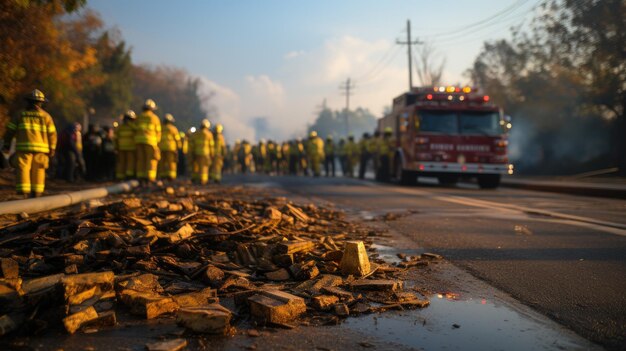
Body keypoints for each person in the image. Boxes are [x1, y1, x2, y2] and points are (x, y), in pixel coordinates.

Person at [1, 89, 57, 198]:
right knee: (39, 169)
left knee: (23, 168)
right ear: (41, 103)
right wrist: (52, 148)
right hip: (42, 150)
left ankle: (23, 192)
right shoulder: (46, 117)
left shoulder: (19, 114)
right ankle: (37, 193)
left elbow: (10, 131)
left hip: (23, 148)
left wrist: (6, 144)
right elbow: (52, 134)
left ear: (28, 102)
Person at [134, 99, 161, 184]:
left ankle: (140, 177)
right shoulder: (154, 118)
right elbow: (158, 132)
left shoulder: (138, 117)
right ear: (152, 109)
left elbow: (134, 129)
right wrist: (157, 142)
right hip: (150, 142)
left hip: (138, 141)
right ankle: (150, 178)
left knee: (140, 159)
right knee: (151, 160)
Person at [189, 119, 214, 184]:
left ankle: (195, 178)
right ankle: (203, 180)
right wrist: (212, 154)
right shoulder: (209, 134)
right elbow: (211, 145)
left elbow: (192, 143)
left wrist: (191, 152)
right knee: (204, 166)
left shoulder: (196, 133)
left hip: (196, 152)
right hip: (205, 153)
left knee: (196, 166)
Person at [158, 113, 181, 181]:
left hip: (161, 147)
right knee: (171, 162)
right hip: (170, 148)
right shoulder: (173, 129)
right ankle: (171, 176)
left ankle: (162, 175)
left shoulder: (161, 128)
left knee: (162, 162)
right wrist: (179, 147)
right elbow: (177, 139)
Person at [115, 110, 136, 180]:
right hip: (131, 147)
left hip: (121, 148)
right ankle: (128, 176)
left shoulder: (120, 127)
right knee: (130, 162)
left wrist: (116, 147)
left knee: (121, 162)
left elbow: (116, 138)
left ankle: (119, 176)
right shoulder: (133, 127)